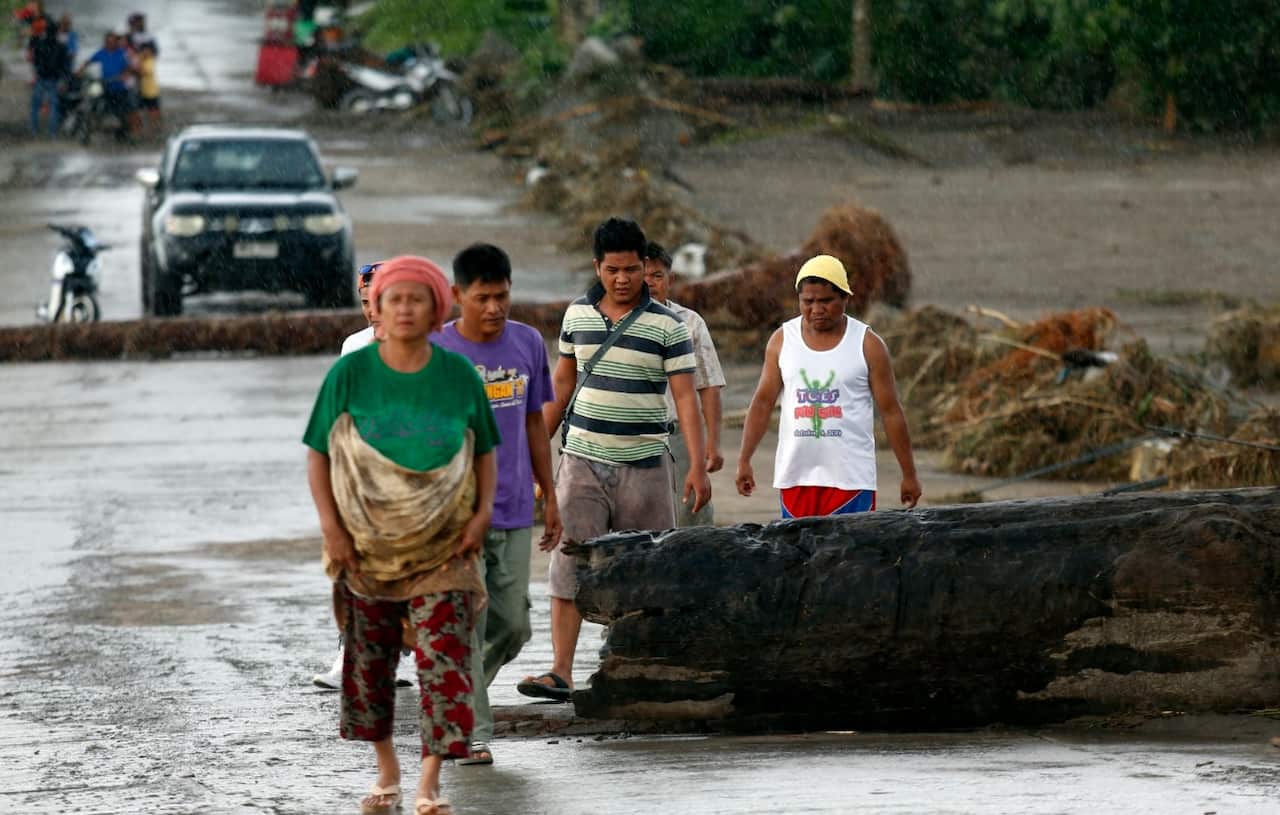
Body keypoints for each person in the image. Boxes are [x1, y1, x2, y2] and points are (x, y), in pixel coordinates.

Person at [304, 255, 498, 815]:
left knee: (445, 660)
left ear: (438, 309)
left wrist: (482, 513)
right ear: (378, 311)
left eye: (417, 299)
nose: (406, 309)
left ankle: (430, 780)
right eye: (395, 300)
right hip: (367, 546)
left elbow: (482, 449)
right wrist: (332, 529)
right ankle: (387, 768)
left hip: (445, 547)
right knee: (370, 663)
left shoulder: (458, 374)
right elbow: (319, 453)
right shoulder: (350, 373)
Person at [518, 217, 711, 701]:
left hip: (647, 463)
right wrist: (534, 452)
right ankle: (560, 671)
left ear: (645, 268)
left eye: (631, 270)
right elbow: (562, 384)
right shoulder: (577, 317)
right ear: (597, 267)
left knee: (648, 568)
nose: (622, 279)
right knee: (569, 563)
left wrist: (698, 463)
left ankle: (636, 667)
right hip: (581, 459)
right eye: (612, 270)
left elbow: (685, 397)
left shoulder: (668, 325)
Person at [433, 243, 561, 765]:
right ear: (458, 295)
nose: (494, 308)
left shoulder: (527, 342)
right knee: (472, 623)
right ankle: (471, 733)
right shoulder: (438, 352)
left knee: (514, 624)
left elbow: (535, 421)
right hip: (457, 516)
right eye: (483, 298)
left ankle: (449, 695)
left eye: (502, 296)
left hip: (512, 507)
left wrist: (549, 493)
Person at [736, 254, 922, 517]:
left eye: (826, 301)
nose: (817, 309)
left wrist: (909, 474)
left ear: (846, 298)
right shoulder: (781, 341)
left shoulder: (868, 344)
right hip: (796, 478)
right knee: (799, 557)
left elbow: (891, 411)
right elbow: (762, 403)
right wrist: (744, 459)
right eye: (808, 301)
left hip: (851, 480)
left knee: (849, 557)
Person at [314, 261, 417, 691]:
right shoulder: (354, 347)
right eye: (364, 303)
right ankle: (350, 652)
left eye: (378, 301)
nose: (371, 312)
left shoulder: (429, 344)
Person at [643, 240, 726, 526]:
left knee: (691, 514)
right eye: (643, 275)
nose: (650, 283)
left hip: (678, 435)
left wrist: (712, 444)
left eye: (657, 275)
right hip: (633, 437)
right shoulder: (616, 322)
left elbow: (709, 385)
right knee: (638, 521)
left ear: (670, 279)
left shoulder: (689, 323)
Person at [79, 30, 133, 137]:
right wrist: (80, 70)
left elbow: (128, 68)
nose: (110, 44)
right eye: (108, 42)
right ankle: (90, 124)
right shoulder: (101, 52)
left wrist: (124, 76)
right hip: (103, 85)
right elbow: (88, 61)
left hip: (118, 87)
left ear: (116, 43)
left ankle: (123, 131)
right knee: (92, 99)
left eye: (112, 42)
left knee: (121, 111)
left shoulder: (122, 53)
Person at [27, 17, 68, 138]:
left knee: (35, 105)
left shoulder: (40, 43)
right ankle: (52, 133)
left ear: (46, 31)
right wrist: (64, 80)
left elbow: (35, 61)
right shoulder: (61, 46)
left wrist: (36, 73)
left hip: (41, 77)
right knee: (54, 106)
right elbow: (64, 65)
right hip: (54, 79)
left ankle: (34, 131)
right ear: (56, 32)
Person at [134, 41, 160, 137]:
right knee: (140, 111)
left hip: (151, 90)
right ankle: (142, 129)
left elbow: (143, 72)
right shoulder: (142, 59)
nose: (145, 52)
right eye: (144, 50)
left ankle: (153, 129)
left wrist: (139, 62)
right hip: (142, 90)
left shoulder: (150, 61)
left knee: (153, 111)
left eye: (147, 51)